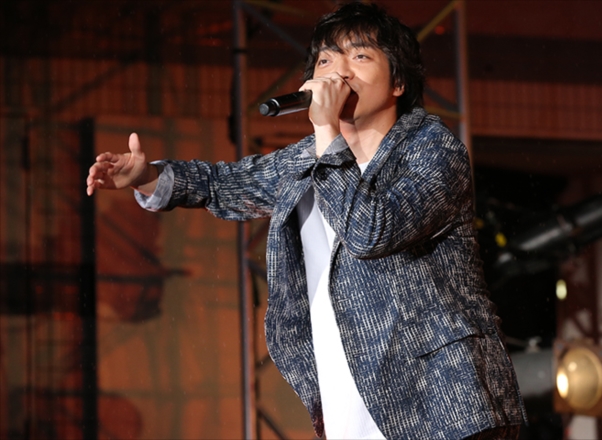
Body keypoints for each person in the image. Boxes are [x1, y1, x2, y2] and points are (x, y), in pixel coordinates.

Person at [87, 3, 526, 439]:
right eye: (326, 60)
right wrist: (145, 176)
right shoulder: (308, 158)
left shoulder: (432, 148)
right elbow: (225, 184)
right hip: (351, 402)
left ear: (399, 82)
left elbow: (372, 231)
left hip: (445, 406)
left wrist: (327, 134)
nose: (339, 73)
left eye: (360, 56)